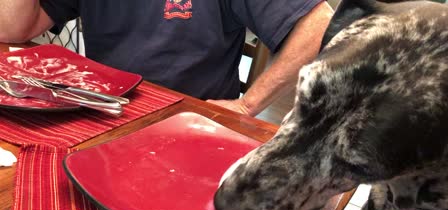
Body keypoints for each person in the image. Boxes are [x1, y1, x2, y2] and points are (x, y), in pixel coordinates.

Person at [0, 0, 333, 116]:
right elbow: (14, 28)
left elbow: (320, 26)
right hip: (104, 115)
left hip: (194, 125)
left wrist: (248, 106)